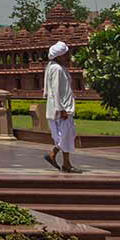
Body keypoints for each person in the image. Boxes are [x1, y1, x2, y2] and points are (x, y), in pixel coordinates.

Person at [43, 41, 78, 173]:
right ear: (59, 56)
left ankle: (64, 162)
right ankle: (57, 156)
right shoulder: (56, 69)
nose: (67, 56)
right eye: (65, 54)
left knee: (66, 135)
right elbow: (55, 90)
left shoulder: (53, 66)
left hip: (59, 108)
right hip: (61, 109)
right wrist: (61, 109)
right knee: (66, 135)